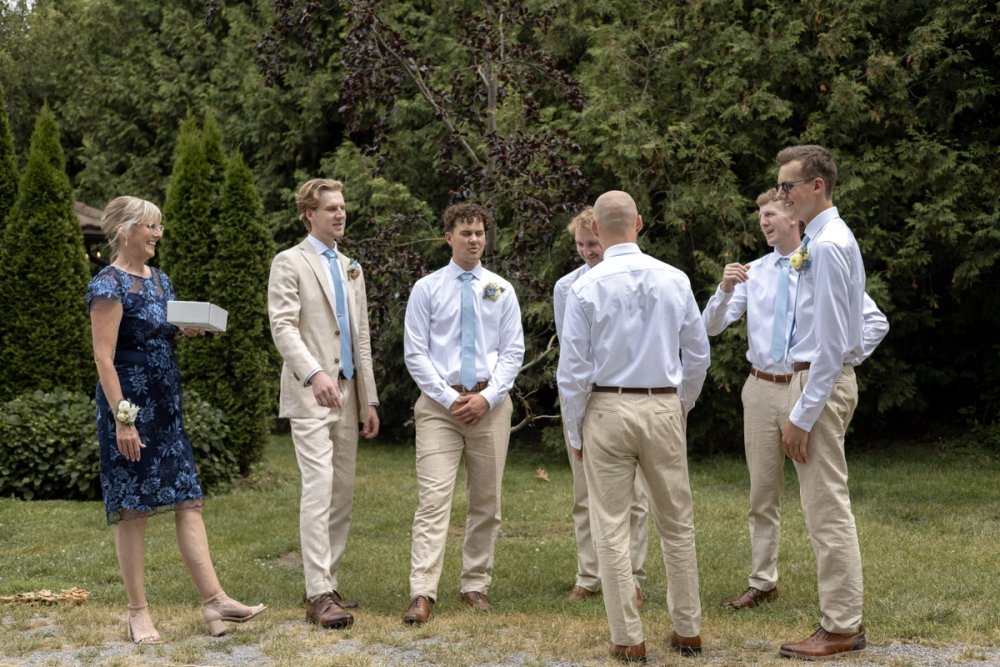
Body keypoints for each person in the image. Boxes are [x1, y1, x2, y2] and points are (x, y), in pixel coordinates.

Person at [86, 196, 265, 644]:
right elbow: (104, 360)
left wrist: (183, 328)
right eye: (151, 226)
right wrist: (123, 419)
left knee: (188, 498)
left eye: (159, 226)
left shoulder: (159, 280)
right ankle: (138, 613)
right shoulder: (108, 285)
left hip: (167, 408)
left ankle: (214, 600)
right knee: (133, 509)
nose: (158, 234)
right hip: (129, 408)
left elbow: (155, 329)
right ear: (126, 229)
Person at [702, 189, 888, 616]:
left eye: (770, 213)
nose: (763, 222)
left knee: (819, 494)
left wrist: (846, 356)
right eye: (760, 216)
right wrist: (725, 288)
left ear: (793, 216)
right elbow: (711, 327)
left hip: (807, 386)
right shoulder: (754, 272)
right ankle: (762, 581)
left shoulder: (819, 259)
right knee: (762, 492)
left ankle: (838, 600)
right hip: (761, 387)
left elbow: (874, 321)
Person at [557, 191, 710, 663]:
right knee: (677, 523)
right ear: (639, 223)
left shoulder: (585, 287)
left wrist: (575, 431)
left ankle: (628, 637)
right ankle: (688, 629)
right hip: (663, 403)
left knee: (610, 524)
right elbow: (698, 355)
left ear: (597, 231)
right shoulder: (675, 279)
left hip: (607, 406)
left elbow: (573, 372)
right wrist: (678, 404)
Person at [401, 202, 524, 626]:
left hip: (489, 406)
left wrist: (487, 398)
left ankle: (475, 584)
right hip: (439, 407)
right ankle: (422, 591)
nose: (474, 239)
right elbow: (415, 352)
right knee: (434, 499)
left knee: (486, 501)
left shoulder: (501, 289)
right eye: (465, 232)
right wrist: (446, 397)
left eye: (480, 232)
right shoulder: (427, 288)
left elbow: (512, 352)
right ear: (448, 237)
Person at [770, 145, 869, 660]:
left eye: (787, 186)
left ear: (817, 186)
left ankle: (843, 625)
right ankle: (840, 618)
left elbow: (832, 342)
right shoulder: (821, 239)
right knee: (822, 505)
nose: (781, 194)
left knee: (826, 507)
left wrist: (802, 415)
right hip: (813, 379)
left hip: (818, 384)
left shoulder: (828, 245)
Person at [267, 178, 380, 629]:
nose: (340, 214)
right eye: (330, 208)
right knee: (318, 487)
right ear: (308, 214)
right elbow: (282, 326)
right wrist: (314, 374)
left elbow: (362, 338)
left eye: (342, 207)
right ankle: (317, 594)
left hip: (350, 394)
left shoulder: (352, 267)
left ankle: (328, 582)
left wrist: (368, 399)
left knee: (342, 493)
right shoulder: (289, 261)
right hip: (312, 394)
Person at [553, 207, 649, 607]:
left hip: (626, 392)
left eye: (593, 244)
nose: (588, 252)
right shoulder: (567, 287)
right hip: (583, 395)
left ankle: (634, 577)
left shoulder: (634, 279)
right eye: (581, 246)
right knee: (584, 492)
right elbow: (570, 348)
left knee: (635, 496)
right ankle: (589, 574)